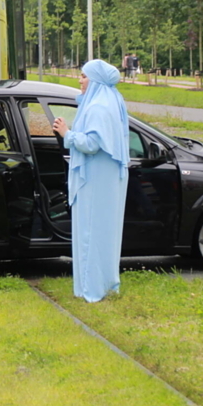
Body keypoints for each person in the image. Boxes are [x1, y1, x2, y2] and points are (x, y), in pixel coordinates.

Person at [52, 60, 130, 301]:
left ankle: (91, 288)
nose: (80, 80)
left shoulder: (98, 107)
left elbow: (92, 144)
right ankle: (105, 283)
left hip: (95, 181)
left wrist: (67, 133)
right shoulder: (111, 102)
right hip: (105, 180)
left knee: (91, 232)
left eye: (84, 76)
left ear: (95, 80)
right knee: (104, 233)